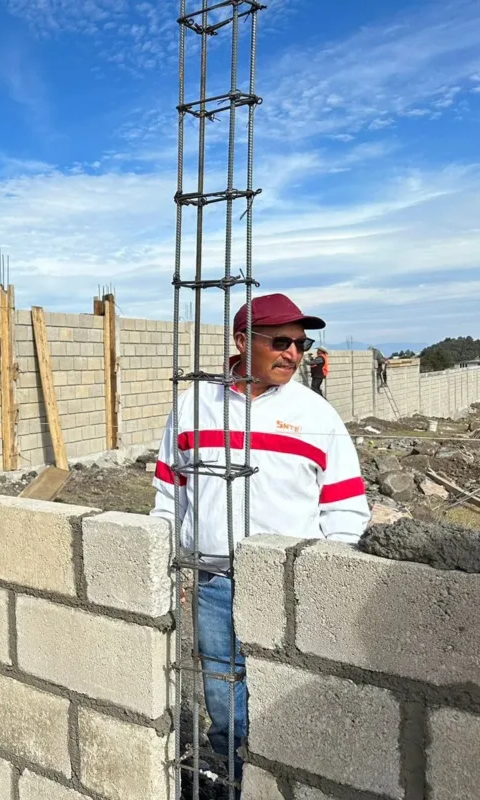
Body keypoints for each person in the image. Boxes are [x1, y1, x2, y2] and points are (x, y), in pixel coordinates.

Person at [150, 293, 370, 790]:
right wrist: (173, 564)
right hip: (213, 582)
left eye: (301, 343)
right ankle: (234, 778)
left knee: (284, 693)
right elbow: (169, 494)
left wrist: (331, 583)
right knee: (224, 693)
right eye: (282, 341)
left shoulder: (316, 416)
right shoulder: (194, 406)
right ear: (242, 340)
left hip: (290, 587)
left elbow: (345, 509)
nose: (294, 353)